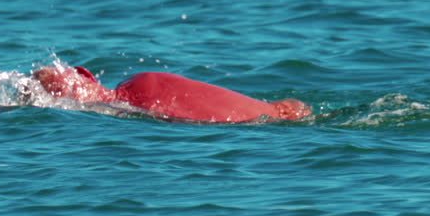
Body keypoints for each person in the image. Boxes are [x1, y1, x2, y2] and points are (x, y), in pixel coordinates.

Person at [32, 64, 311, 122]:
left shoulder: (116, 107)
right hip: (144, 87)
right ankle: (280, 112)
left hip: (142, 93)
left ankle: (280, 112)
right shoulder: (122, 101)